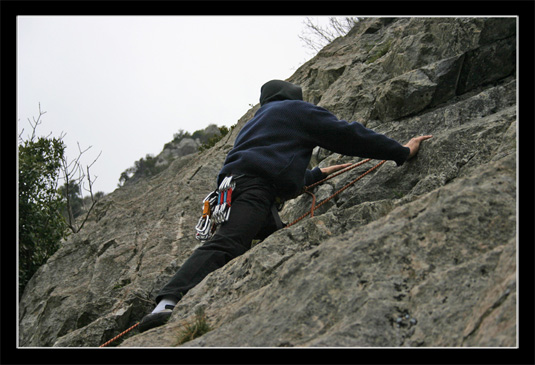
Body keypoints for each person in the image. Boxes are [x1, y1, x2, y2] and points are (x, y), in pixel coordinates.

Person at [138, 80, 432, 332]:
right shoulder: (295, 110)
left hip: (237, 190)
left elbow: (271, 163)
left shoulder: (256, 122)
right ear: (294, 96)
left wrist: (315, 175)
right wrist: (401, 151)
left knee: (273, 239)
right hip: (256, 191)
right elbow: (348, 135)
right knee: (229, 243)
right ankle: (167, 302)